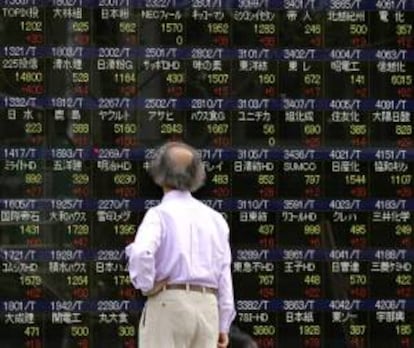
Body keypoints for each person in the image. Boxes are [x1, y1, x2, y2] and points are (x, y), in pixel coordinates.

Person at [125, 141, 236, 348]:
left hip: (170, 303)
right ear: (196, 176)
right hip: (208, 309)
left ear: (160, 174)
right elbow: (224, 274)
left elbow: (141, 252)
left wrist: (147, 285)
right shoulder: (215, 219)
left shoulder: (159, 215)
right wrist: (223, 324)